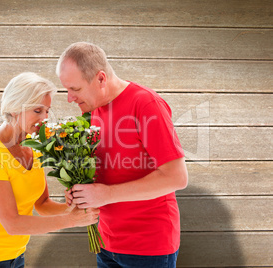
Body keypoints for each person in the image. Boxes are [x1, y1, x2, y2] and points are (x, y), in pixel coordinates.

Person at [57, 42, 188, 268]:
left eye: (75, 89)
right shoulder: (93, 108)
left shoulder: (146, 104)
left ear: (100, 79)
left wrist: (106, 195)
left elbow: (177, 177)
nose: (70, 98)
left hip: (148, 248)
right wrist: (80, 192)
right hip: (106, 243)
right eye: (67, 89)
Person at [0, 72, 99, 268]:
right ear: (15, 109)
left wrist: (74, 208)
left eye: (47, 111)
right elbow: (12, 224)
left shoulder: (34, 146)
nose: (45, 118)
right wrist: (70, 221)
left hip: (16, 256)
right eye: (38, 110)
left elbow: (42, 204)